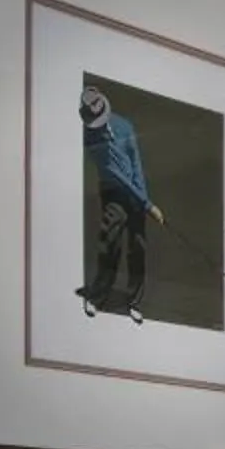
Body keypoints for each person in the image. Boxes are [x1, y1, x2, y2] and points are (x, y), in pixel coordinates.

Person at [78, 83, 160, 323]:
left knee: (138, 247)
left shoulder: (124, 125)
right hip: (114, 191)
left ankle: (134, 301)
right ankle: (97, 296)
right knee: (110, 244)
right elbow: (116, 174)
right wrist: (148, 205)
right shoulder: (90, 137)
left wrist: (142, 199)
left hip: (136, 191)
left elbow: (135, 166)